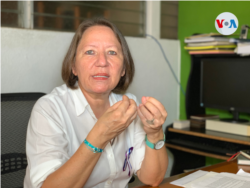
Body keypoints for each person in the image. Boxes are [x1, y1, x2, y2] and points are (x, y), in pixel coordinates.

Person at [24, 17, 168, 188]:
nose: (102, 62)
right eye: (90, 52)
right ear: (74, 66)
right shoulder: (49, 109)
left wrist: (154, 133)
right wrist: (100, 135)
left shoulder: (130, 105)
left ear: (123, 69)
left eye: (112, 52)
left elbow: (153, 179)